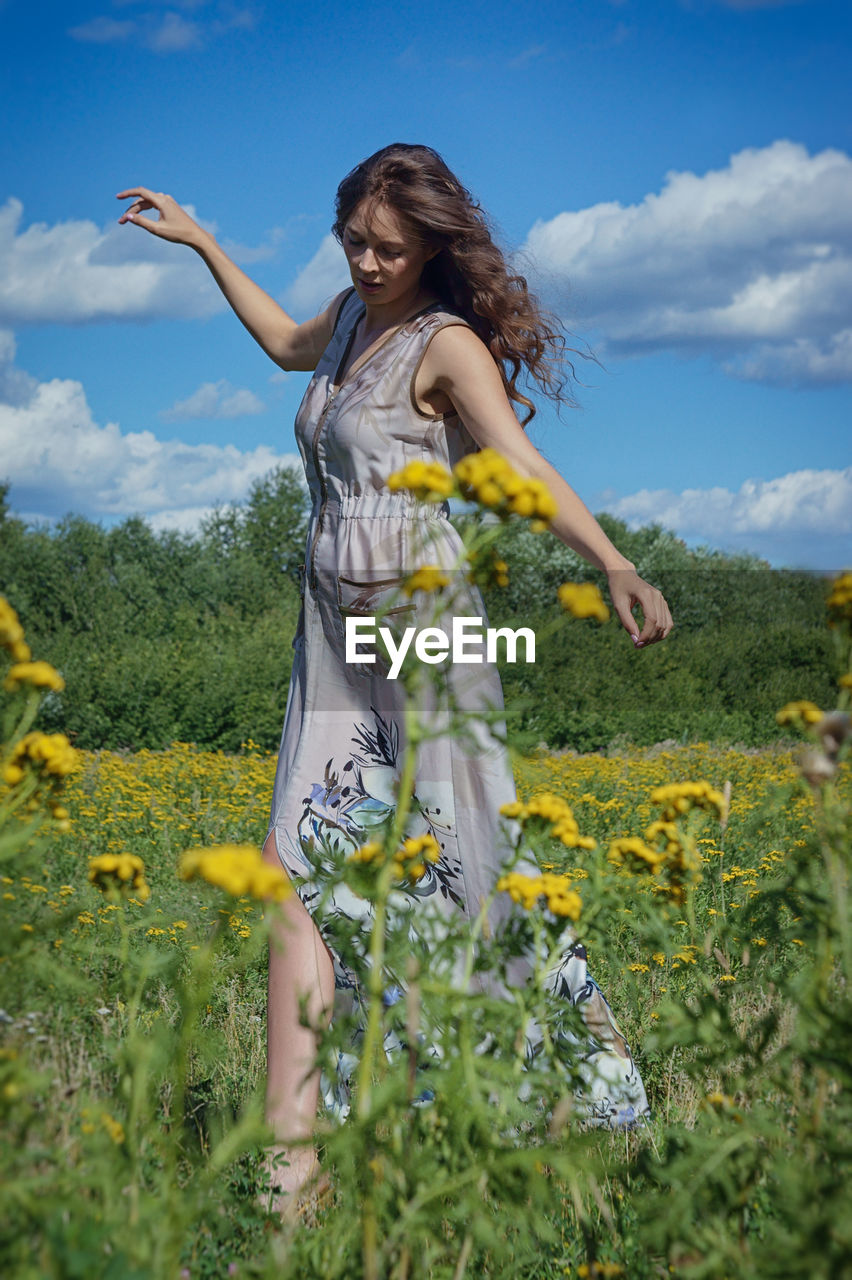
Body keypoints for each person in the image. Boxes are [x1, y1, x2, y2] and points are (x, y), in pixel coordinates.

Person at [117, 143, 673, 1219]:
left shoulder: (444, 341)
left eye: (391, 248)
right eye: (356, 244)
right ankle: (291, 1173)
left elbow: (514, 464)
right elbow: (285, 344)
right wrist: (201, 242)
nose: (370, 263)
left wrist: (610, 559)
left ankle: (542, 1108)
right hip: (330, 641)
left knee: (456, 875)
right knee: (292, 871)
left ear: (433, 246)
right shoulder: (346, 318)